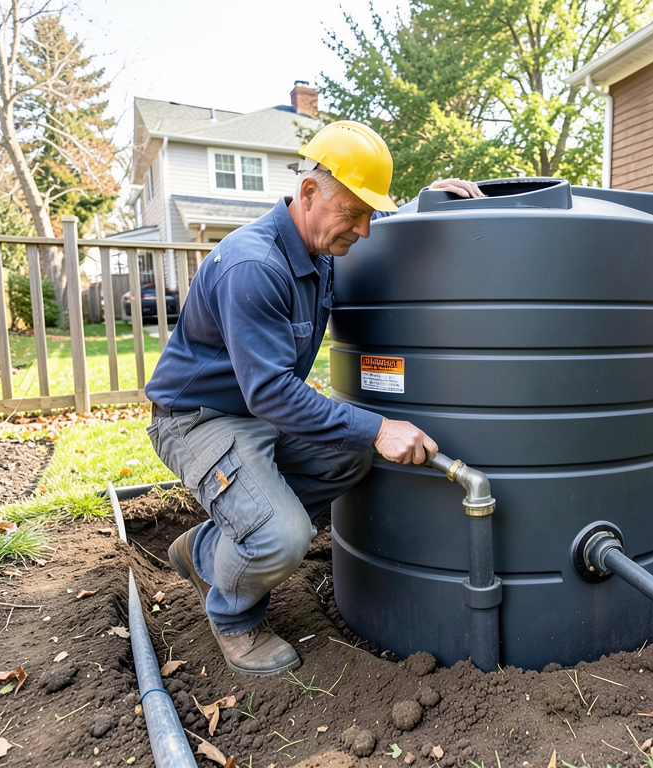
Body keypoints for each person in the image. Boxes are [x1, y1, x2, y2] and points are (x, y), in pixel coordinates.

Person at [144, 121, 483, 676]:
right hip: (199, 419)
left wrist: (425, 205)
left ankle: (210, 545)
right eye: (356, 214)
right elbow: (271, 393)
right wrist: (378, 427)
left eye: (370, 214)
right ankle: (235, 618)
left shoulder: (318, 245)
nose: (367, 231)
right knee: (283, 536)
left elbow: (369, 222)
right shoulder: (255, 266)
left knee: (350, 454)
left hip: (256, 411)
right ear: (308, 194)